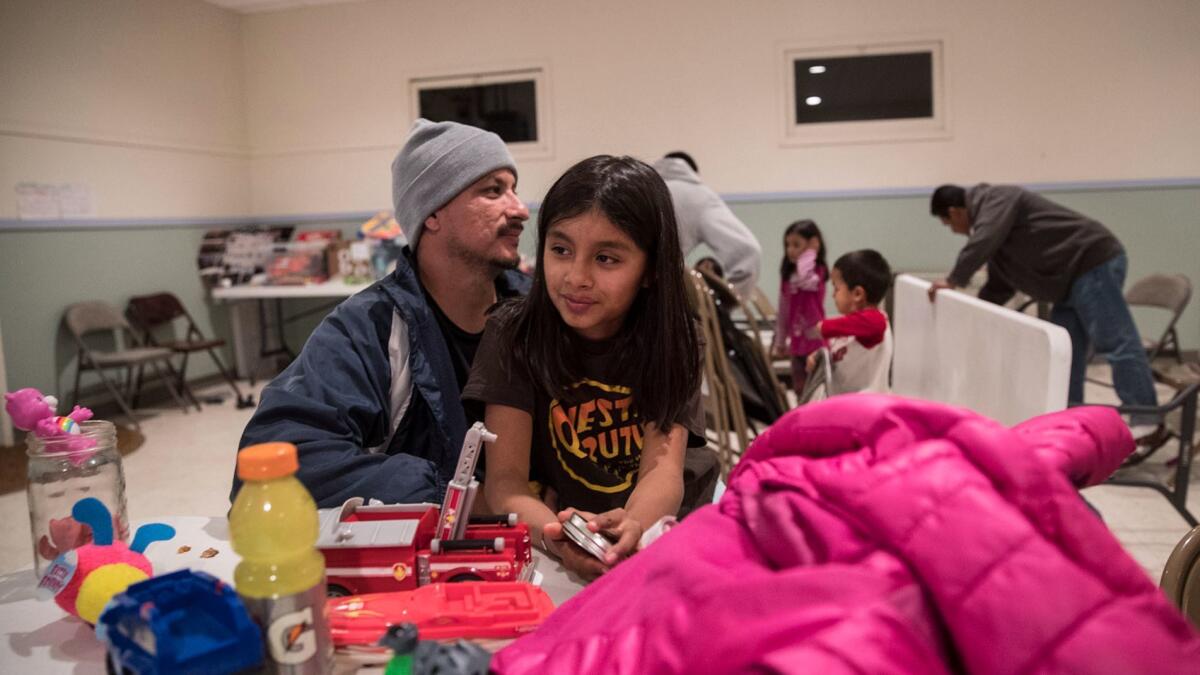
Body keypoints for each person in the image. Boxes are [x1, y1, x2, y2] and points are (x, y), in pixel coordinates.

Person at [231, 119, 531, 508]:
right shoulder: (368, 328)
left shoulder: (538, 313)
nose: (520, 209)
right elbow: (273, 462)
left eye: (514, 189)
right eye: (493, 191)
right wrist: (456, 497)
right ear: (432, 214)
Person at [464, 155, 708, 581]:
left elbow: (663, 471)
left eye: (606, 259)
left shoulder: (675, 337)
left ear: (649, 270)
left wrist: (635, 526)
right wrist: (554, 535)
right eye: (560, 250)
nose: (576, 277)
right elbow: (505, 481)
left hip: (670, 522)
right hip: (562, 527)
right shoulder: (513, 334)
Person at [927, 183, 1158, 427]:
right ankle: (1067, 421)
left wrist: (953, 280)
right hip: (1067, 283)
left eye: (949, 224)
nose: (954, 231)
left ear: (955, 212)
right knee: (1065, 355)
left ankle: (1147, 419)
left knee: (1115, 341)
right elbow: (999, 283)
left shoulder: (996, 199)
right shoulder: (996, 227)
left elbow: (984, 239)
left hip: (1091, 263)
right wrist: (974, 315)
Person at [653, 152, 762, 299]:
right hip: (659, 297)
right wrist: (725, 302)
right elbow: (748, 251)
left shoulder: (639, 190)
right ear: (693, 173)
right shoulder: (699, 196)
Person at [808, 249, 893, 394]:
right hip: (843, 402)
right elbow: (844, 355)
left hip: (864, 408)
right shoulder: (853, 327)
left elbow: (873, 323)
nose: (833, 295)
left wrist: (825, 327)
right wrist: (821, 358)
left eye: (836, 288)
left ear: (857, 294)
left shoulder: (876, 320)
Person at [772, 219, 828, 396]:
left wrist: (811, 252)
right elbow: (783, 311)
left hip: (817, 342)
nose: (790, 250)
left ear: (813, 244)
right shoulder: (788, 277)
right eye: (787, 245)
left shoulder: (817, 272)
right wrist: (780, 340)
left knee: (818, 389)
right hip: (797, 344)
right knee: (800, 388)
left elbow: (806, 279)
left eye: (796, 245)